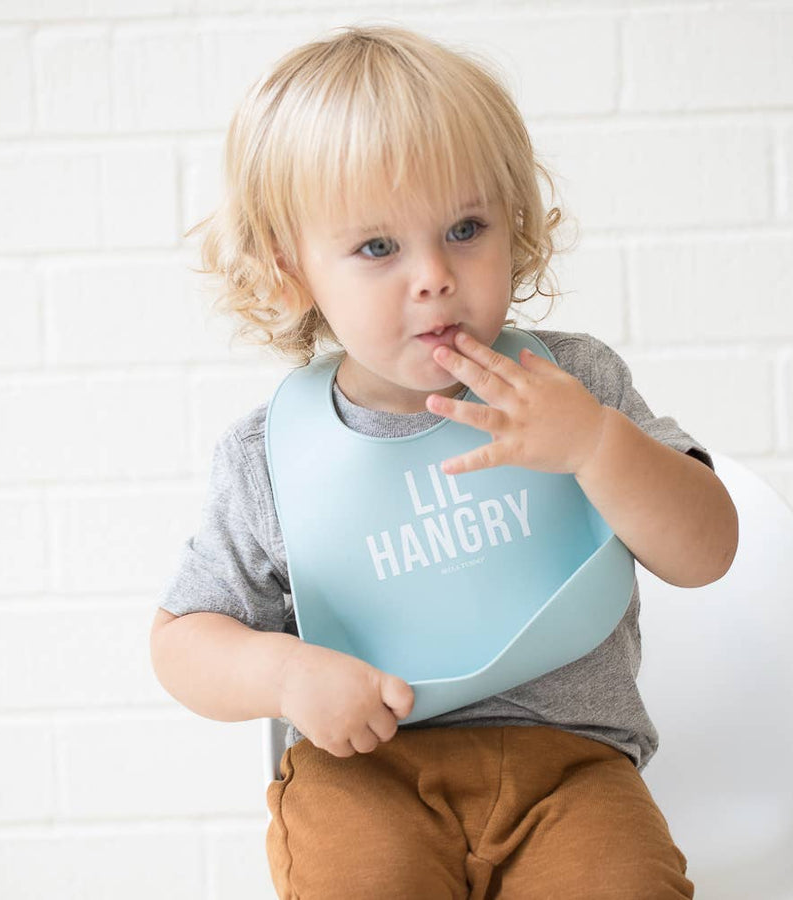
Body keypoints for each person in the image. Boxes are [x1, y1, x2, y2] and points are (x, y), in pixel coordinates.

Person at [150, 24, 738, 900]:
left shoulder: (573, 383)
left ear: (516, 223)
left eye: (466, 227)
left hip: (574, 771)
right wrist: (284, 673)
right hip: (369, 775)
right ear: (291, 269)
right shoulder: (271, 456)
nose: (434, 275)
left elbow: (709, 548)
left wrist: (596, 443)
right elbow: (183, 638)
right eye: (378, 247)